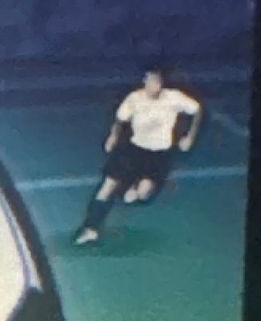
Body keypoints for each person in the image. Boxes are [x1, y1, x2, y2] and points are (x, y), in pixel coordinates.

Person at [73, 67, 206, 244]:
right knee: (107, 186)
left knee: (142, 194)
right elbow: (120, 119)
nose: (152, 85)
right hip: (133, 150)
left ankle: (131, 189)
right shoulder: (134, 99)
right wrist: (113, 136)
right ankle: (91, 228)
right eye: (148, 81)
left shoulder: (174, 98)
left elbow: (197, 110)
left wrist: (189, 137)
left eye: (155, 82)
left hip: (158, 155)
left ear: (161, 84)